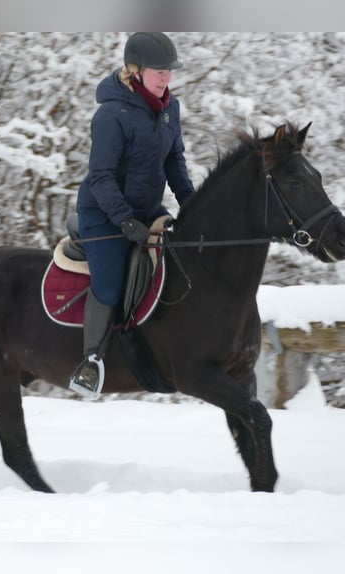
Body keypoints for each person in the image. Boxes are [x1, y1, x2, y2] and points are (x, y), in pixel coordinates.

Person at [68, 32, 195, 397]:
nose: (165, 78)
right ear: (135, 71)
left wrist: (192, 205)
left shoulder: (170, 108)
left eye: (169, 71)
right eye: (158, 71)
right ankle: (91, 362)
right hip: (103, 212)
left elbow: (175, 161)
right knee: (109, 284)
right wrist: (125, 221)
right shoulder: (111, 115)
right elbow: (102, 177)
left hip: (146, 208)